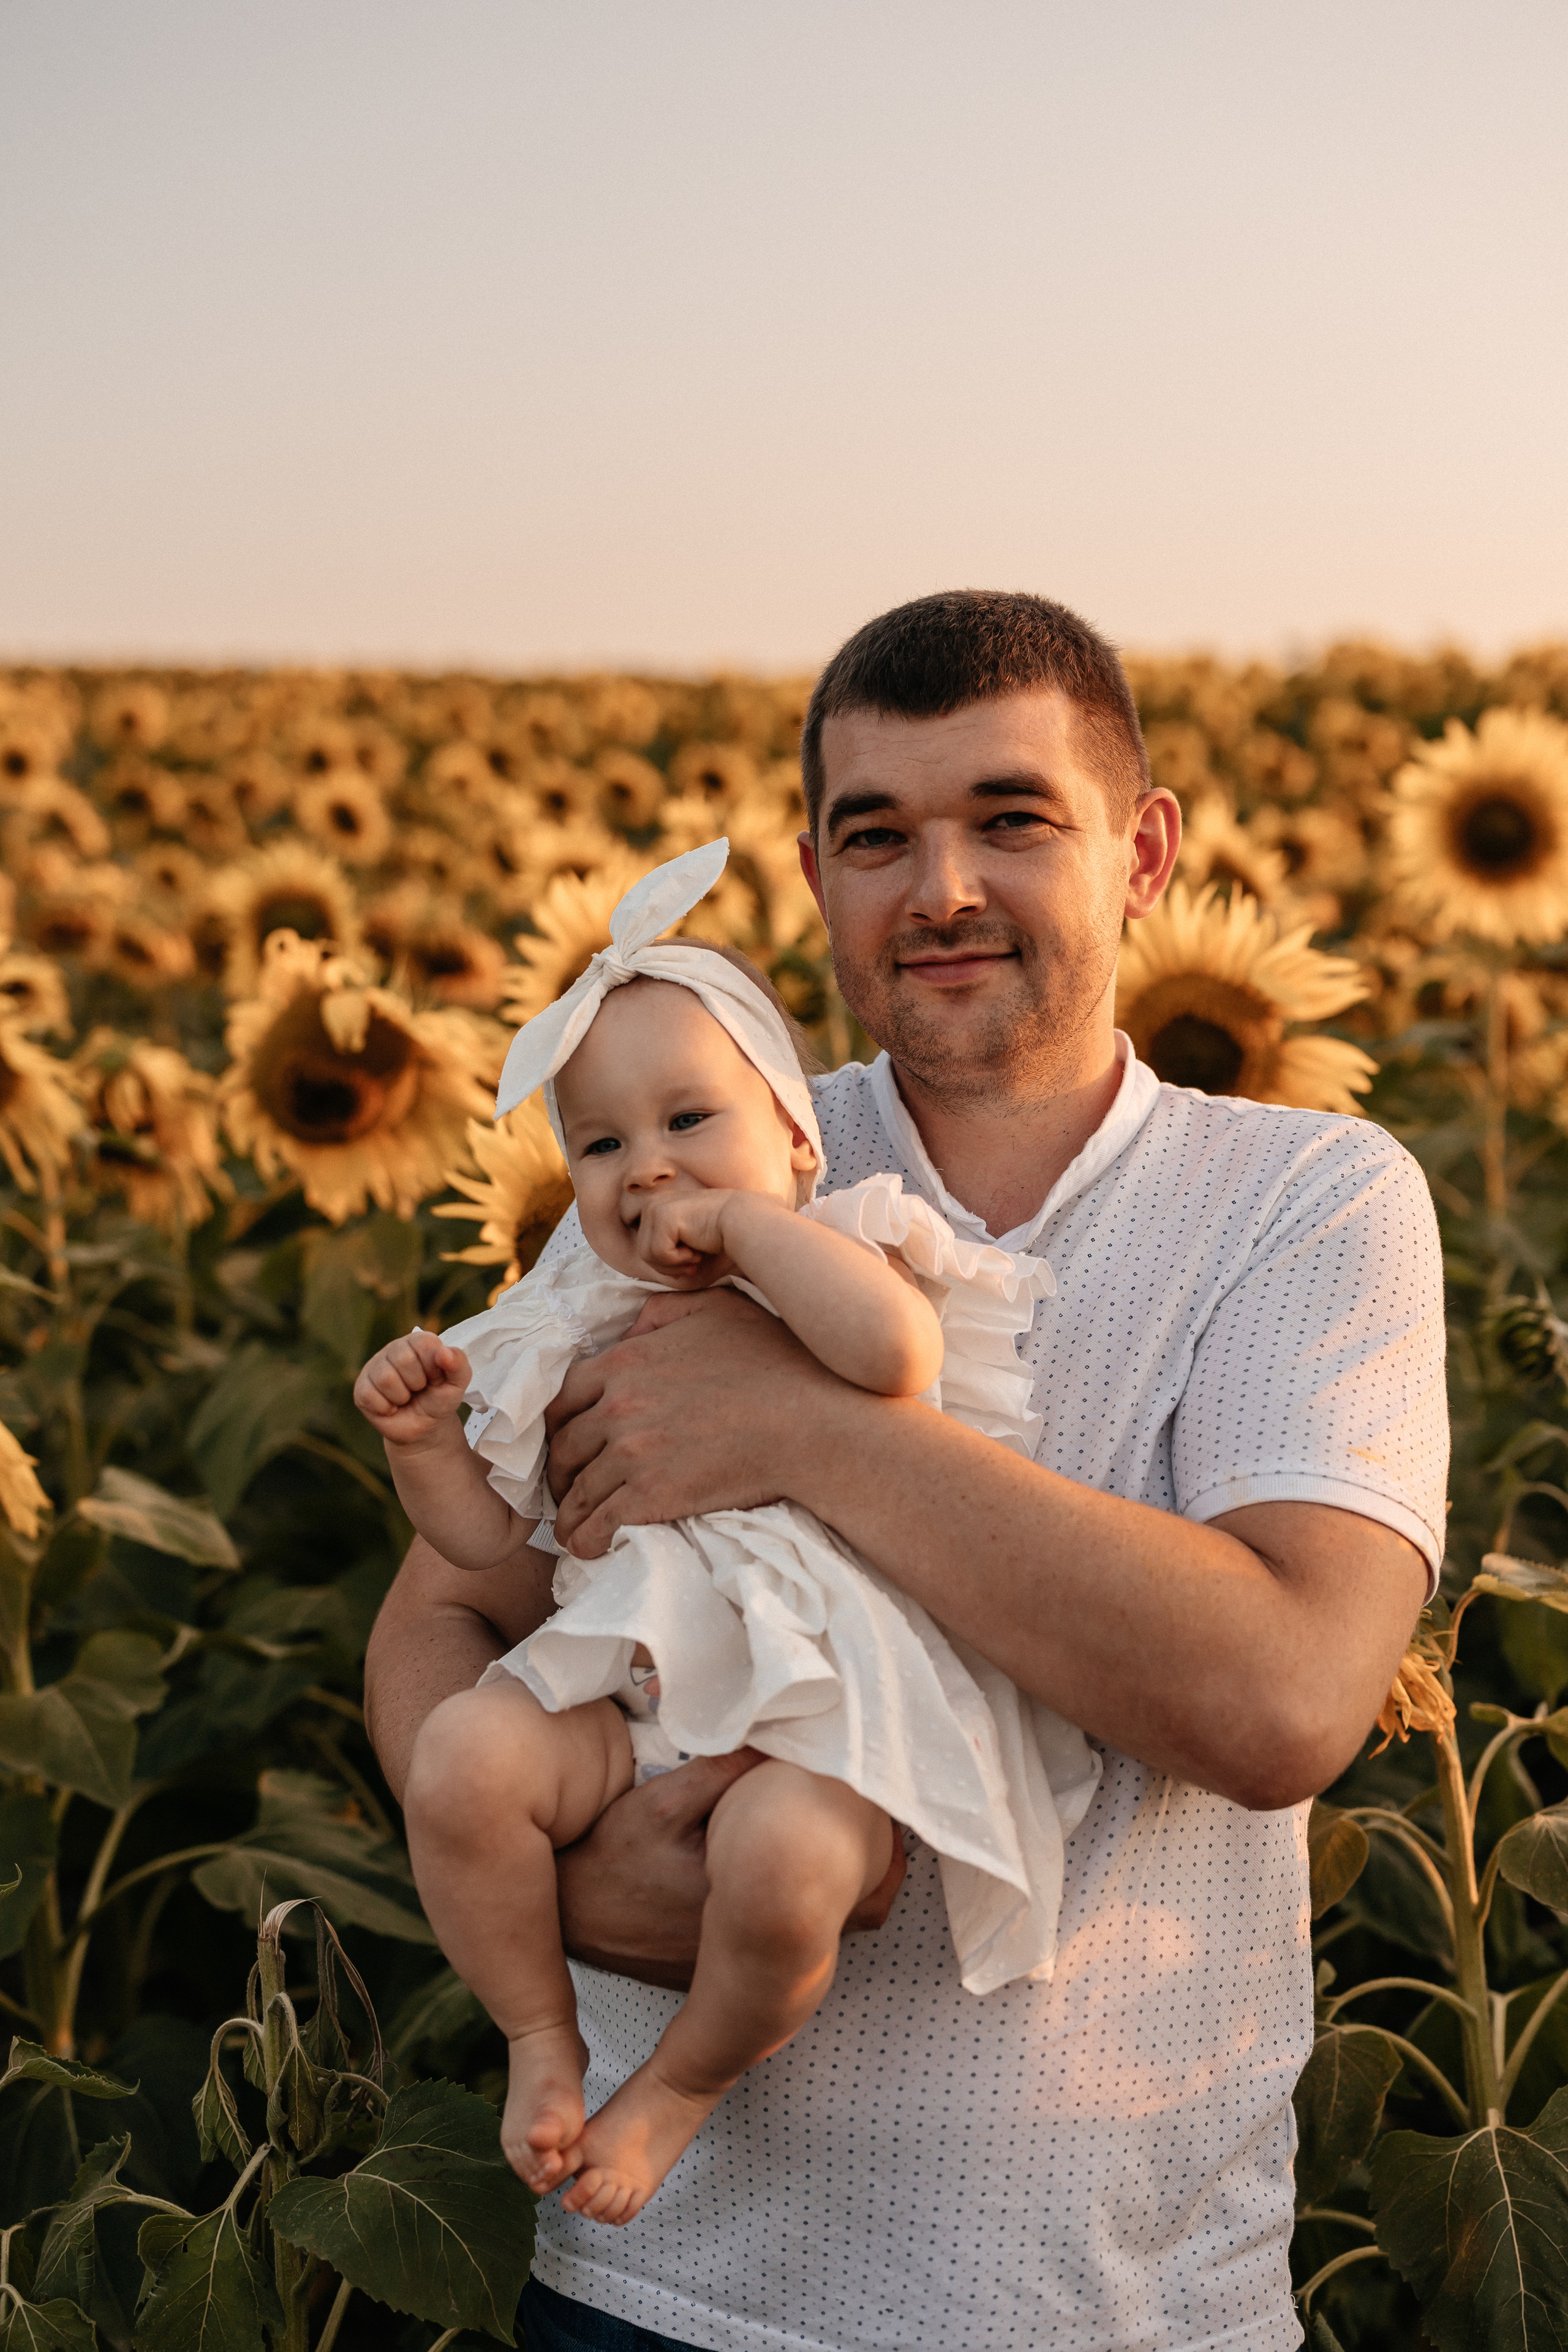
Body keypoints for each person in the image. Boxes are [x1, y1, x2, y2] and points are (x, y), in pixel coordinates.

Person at [365, 591, 1446, 2352]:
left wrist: (801, 1427)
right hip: (655, 2284)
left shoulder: (1306, 1202)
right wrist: (558, 1869)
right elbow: (445, 1612)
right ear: (815, 877)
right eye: (876, 837)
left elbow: (1280, 1702)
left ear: (1142, 853)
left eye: (1011, 820)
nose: (939, 888)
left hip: (1106, 2309)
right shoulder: (687, 1147)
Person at [355, 843, 1093, 2225]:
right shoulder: (565, 1320)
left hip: (816, 1719)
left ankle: (682, 2085)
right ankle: (539, 2037)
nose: (648, 1170)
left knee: (787, 1869)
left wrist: (749, 1230)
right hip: (618, 1696)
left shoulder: (839, 1255)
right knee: (459, 1761)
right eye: (600, 1147)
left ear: (799, 1141)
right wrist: (424, 1446)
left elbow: (894, 1357)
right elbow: (484, 1539)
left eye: (691, 1121)